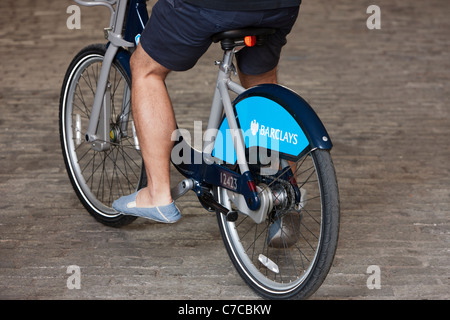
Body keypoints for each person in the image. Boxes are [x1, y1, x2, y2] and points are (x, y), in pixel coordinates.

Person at [112, 0, 302, 223]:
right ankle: (283, 199)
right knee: (261, 85)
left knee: (146, 69)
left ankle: (157, 194)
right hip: (280, 7)